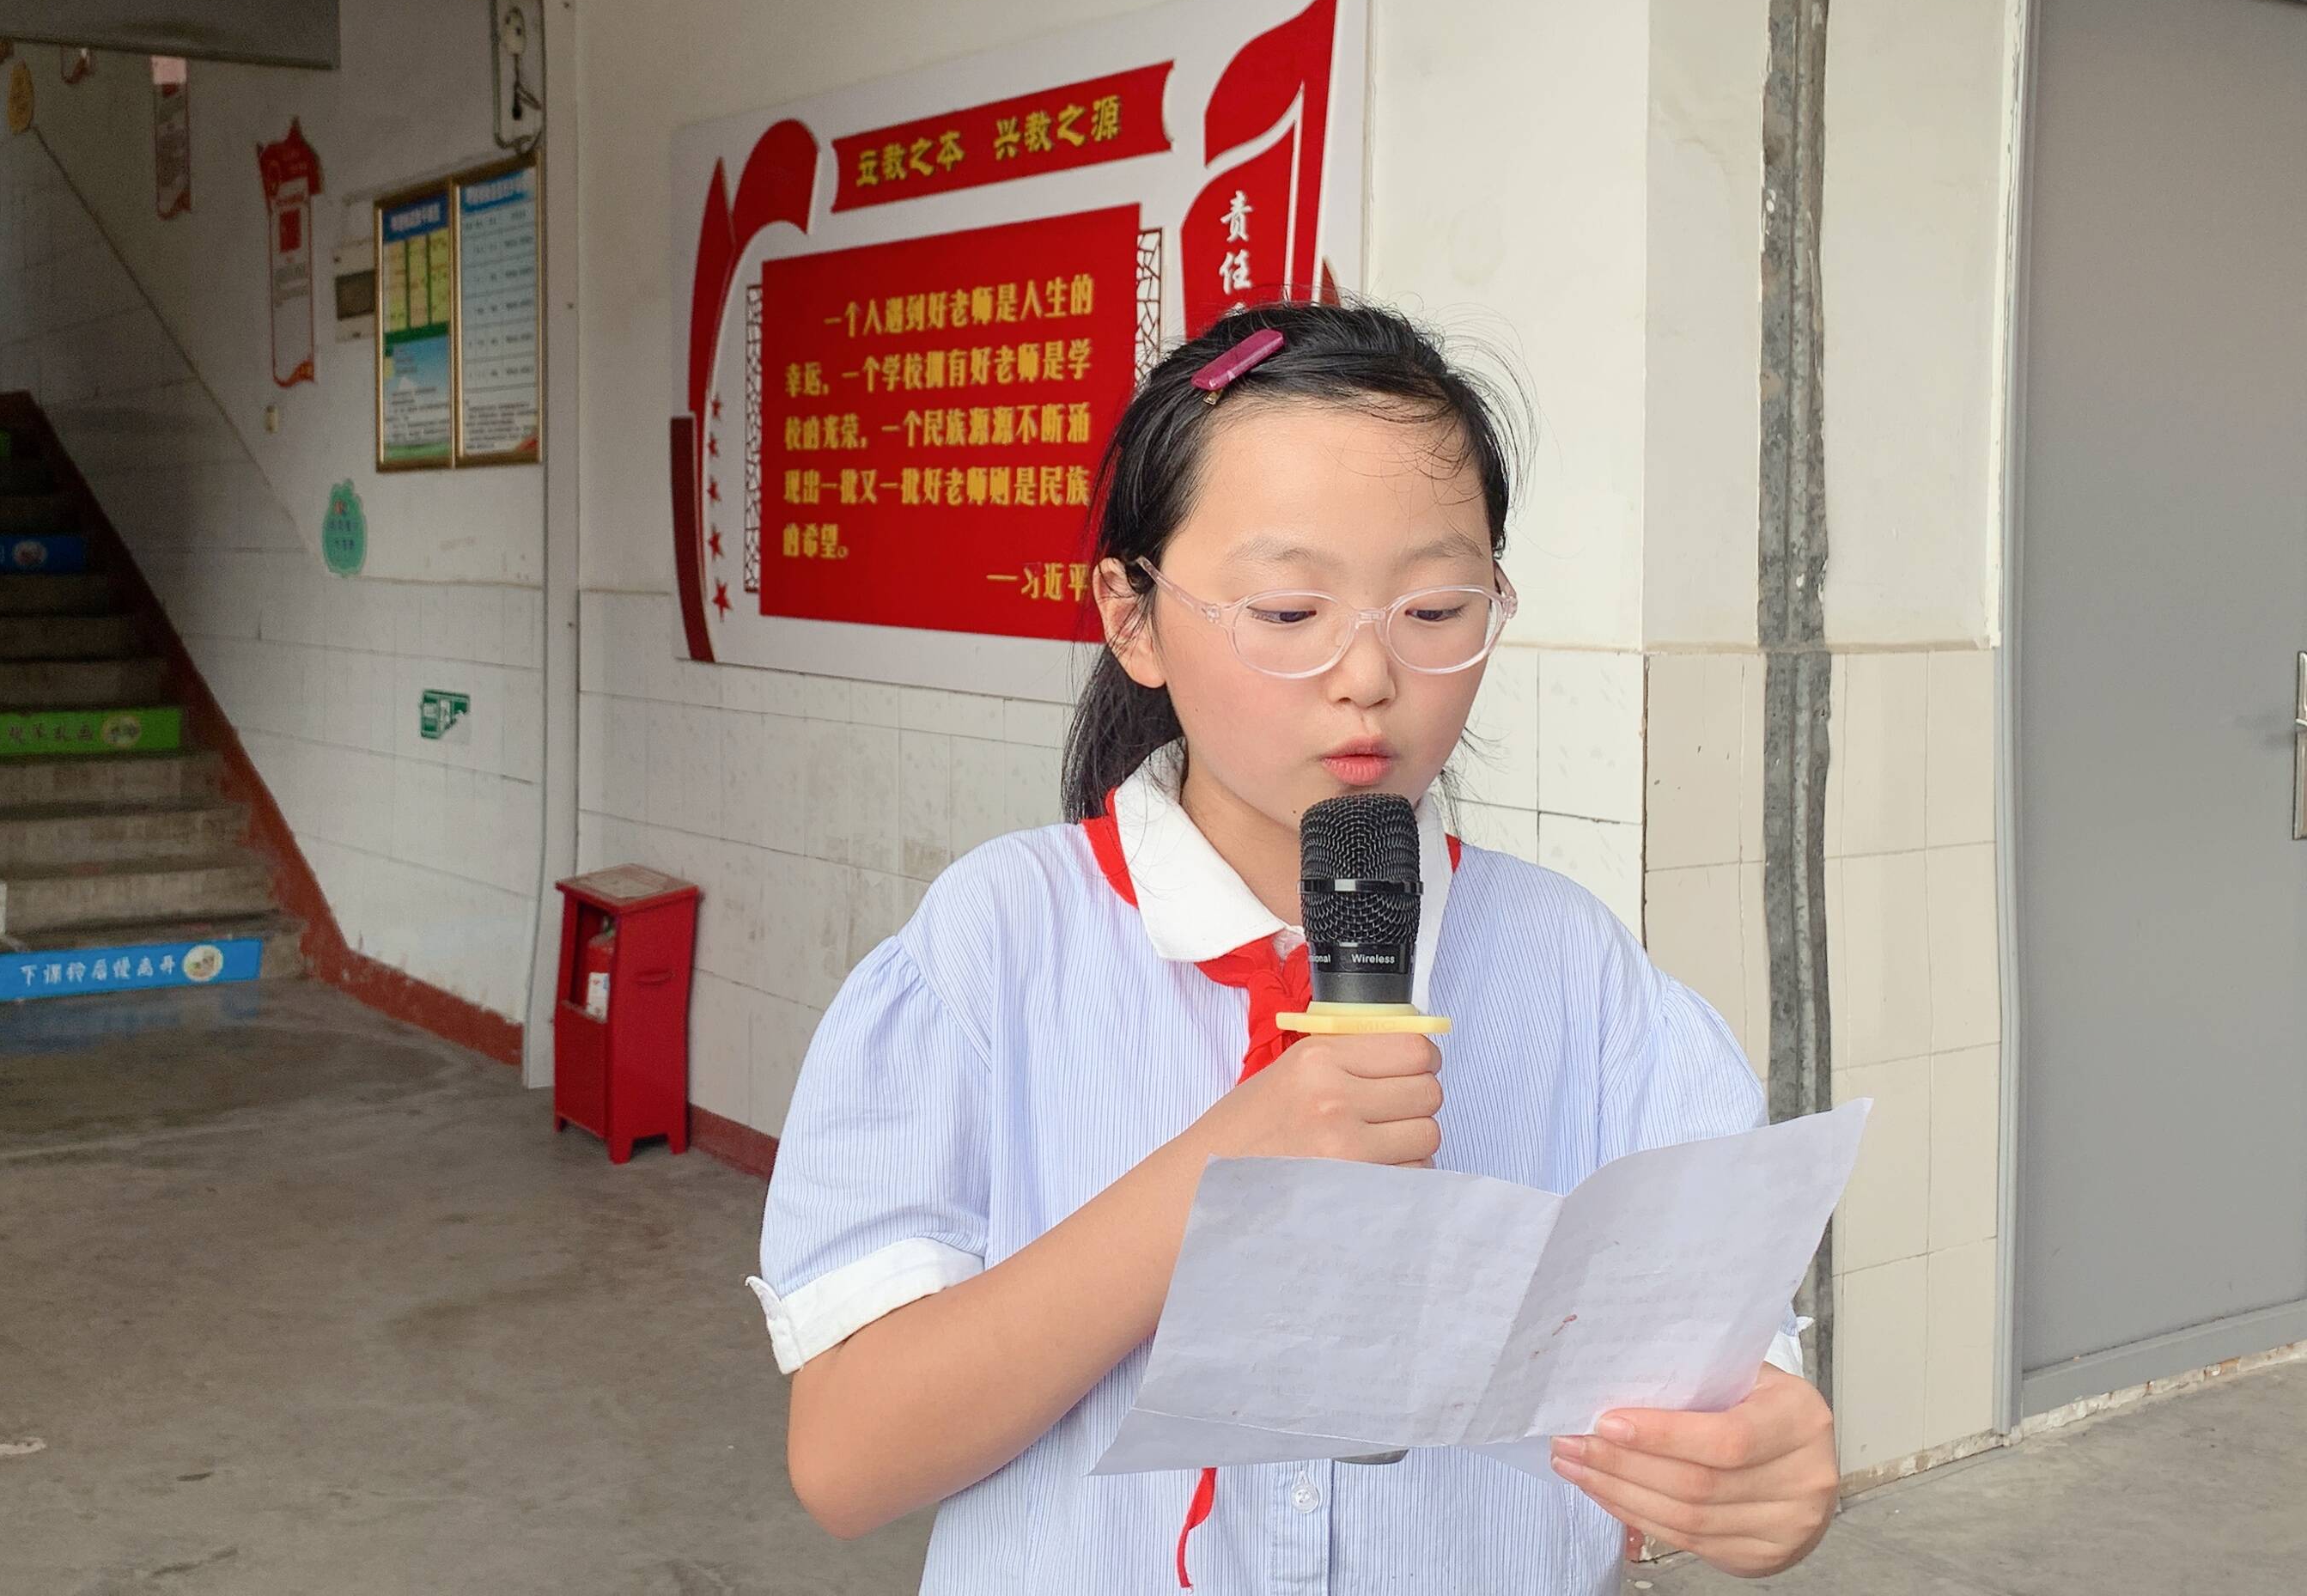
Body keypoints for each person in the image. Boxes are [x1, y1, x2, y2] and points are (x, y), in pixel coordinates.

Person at [749, 301, 1839, 1593]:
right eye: (1285, 611)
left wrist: (1758, 1471)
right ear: (1133, 616)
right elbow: (849, 1460)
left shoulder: (1578, 974)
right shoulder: (994, 946)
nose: (1368, 676)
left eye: (1435, 608)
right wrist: (1224, 1172)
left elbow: (1722, 1373)